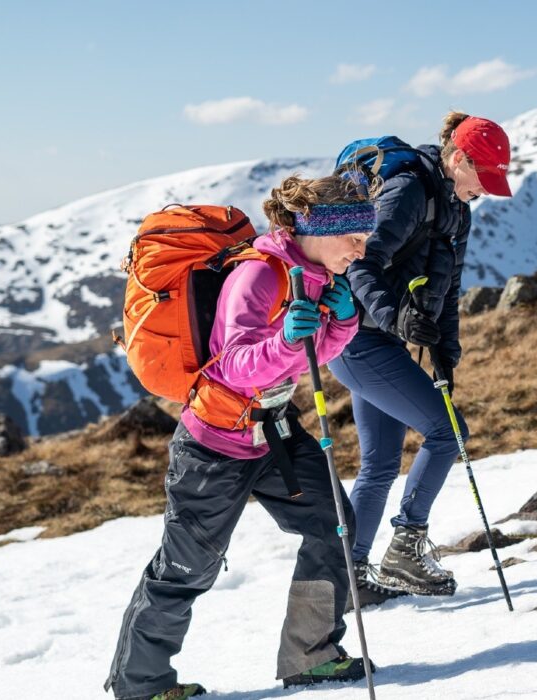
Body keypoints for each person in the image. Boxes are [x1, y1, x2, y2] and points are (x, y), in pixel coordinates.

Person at [105, 168, 378, 700]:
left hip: (274, 432)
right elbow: (234, 367)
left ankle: (311, 655)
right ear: (321, 228)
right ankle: (140, 687)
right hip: (214, 445)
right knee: (186, 567)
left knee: (333, 527)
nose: (360, 251)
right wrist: (285, 340)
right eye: (355, 238)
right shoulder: (258, 275)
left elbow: (310, 356)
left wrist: (340, 324)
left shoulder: (315, 272)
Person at [327, 113, 513, 602]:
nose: (487, 190)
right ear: (459, 159)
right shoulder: (407, 190)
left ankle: (352, 577)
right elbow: (359, 264)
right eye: (485, 178)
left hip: (383, 339)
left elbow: (447, 290)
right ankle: (406, 548)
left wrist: (445, 353)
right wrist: (395, 319)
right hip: (356, 339)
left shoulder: (458, 211)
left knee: (382, 463)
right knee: (448, 432)